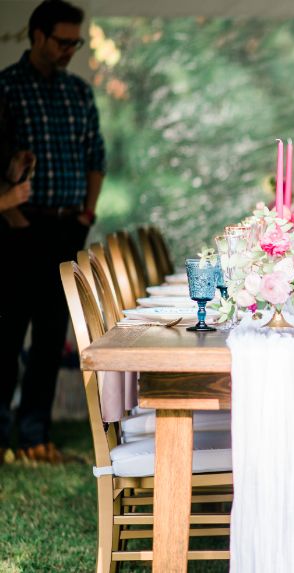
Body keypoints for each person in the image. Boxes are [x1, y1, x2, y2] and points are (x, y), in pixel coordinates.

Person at [0, 0, 105, 464]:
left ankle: (35, 437)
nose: (69, 50)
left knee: (50, 335)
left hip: (68, 227)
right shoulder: (5, 88)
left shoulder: (79, 92)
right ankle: (3, 435)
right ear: (36, 36)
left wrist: (86, 214)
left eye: (75, 42)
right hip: (18, 227)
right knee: (7, 334)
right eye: (62, 41)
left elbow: (96, 158)